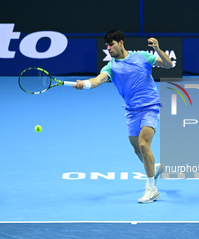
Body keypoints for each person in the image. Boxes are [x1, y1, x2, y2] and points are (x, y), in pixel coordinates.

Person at [74, 29, 173, 203]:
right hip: (131, 110)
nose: (109, 49)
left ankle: (151, 189)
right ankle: (153, 167)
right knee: (137, 149)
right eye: (107, 46)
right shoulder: (111, 66)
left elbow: (169, 64)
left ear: (121, 43)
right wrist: (85, 84)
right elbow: (98, 80)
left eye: (111, 45)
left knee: (143, 144)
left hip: (150, 106)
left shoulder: (142, 57)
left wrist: (157, 49)